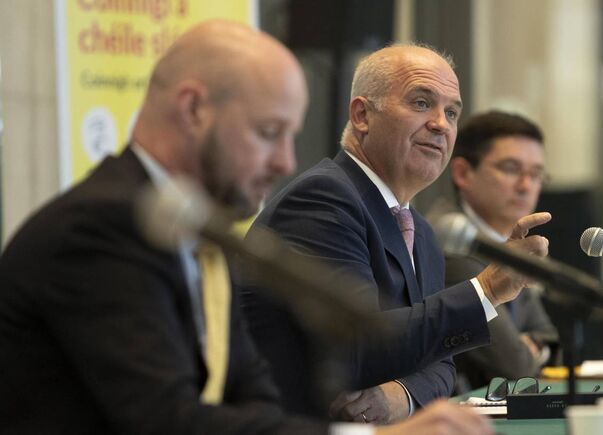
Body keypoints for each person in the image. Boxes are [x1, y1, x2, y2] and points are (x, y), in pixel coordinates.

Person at [0, 20, 494, 435]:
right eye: (268, 133)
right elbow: (169, 421)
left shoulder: (196, 228)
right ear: (194, 109)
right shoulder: (102, 229)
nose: (283, 162)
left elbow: (252, 401)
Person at [246, 44, 551, 424]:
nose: (441, 123)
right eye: (422, 103)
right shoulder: (323, 200)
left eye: (452, 112)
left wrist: (402, 396)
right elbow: (354, 347)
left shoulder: (420, 231)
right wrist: (485, 290)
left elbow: (443, 363)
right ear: (361, 115)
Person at [428, 110, 559, 393]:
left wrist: (533, 346)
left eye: (536, 174)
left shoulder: (512, 241)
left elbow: (549, 338)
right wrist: (529, 349)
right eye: (511, 169)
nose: (526, 186)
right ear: (463, 173)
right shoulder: (448, 243)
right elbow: (515, 367)